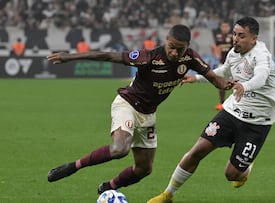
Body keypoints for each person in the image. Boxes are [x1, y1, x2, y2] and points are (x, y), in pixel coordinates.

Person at [46, 24, 235, 194]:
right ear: (166, 41)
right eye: (172, 47)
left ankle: (108, 188)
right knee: (120, 149)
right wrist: (69, 57)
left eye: (180, 49)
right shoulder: (149, 57)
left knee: (144, 169)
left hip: (148, 115)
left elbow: (212, 77)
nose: (175, 53)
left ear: (187, 46)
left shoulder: (190, 58)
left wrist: (226, 84)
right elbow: (108, 56)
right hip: (127, 104)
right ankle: (73, 166)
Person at [147, 16, 275, 203]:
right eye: (234, 34)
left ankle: (245, 168)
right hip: (232, 112)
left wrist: (244, 86)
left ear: (254, 38)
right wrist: (197, 78)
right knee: (197, 150)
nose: (235, 39)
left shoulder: (262, 55)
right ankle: (168, 194)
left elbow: (262, 77)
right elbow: (224, 70)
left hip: (257, 123)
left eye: (241, 36)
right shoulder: (234, 52)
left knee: (232, 175)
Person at [212, 20, 233, 110]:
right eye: (223, 26)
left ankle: (237, 103)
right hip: (222, 63)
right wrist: (216, 52)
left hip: (233, 64)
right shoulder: (219, 36)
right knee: (221, 83)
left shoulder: (233, 36)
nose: (224, 28)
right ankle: (222, 103)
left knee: (236, 82)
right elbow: (215, 46)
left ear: (229, 27)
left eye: (226, 26)